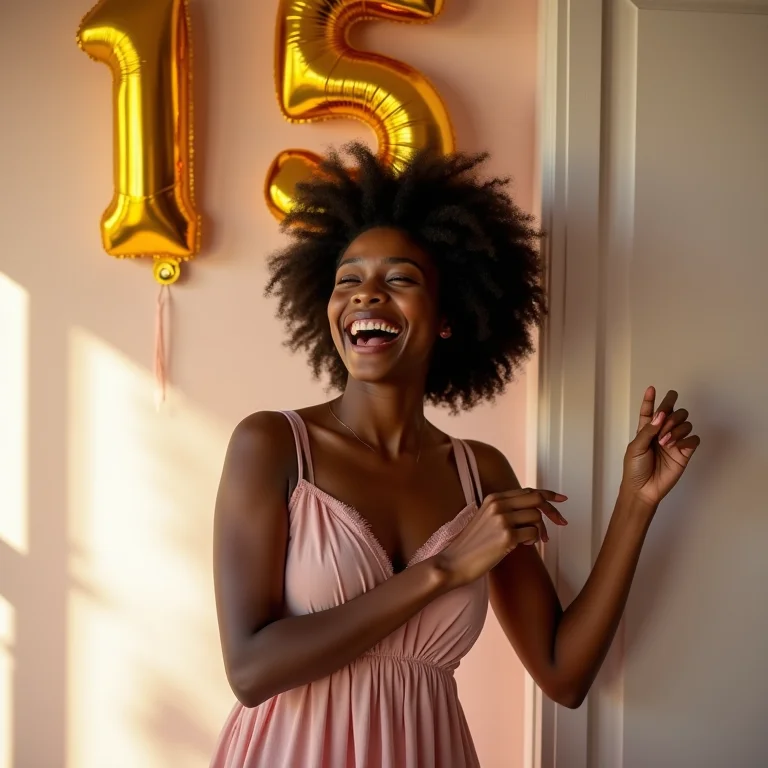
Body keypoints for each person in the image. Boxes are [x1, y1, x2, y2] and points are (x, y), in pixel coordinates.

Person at [209, 144, 699, 768]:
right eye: (348, 280)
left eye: (399, 279)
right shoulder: (273, 445)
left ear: (446, 317)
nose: (365, 295)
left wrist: (637, 502)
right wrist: (444, 569)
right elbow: (250, 671)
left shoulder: (479, 473)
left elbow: (564, 674)